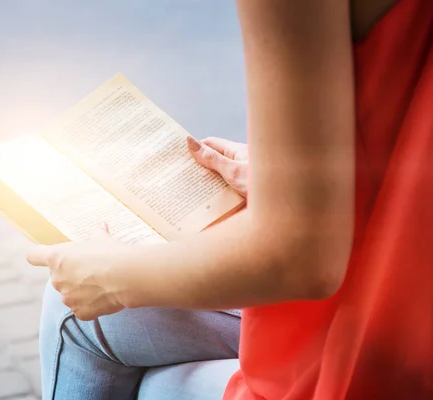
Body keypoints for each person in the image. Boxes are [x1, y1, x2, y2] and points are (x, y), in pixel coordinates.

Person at [27, 0, 433, 398]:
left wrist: (111, 280)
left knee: (97, 334)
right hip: (410, 295)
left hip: (378, 350)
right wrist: (285, 174)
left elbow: (298, 259)